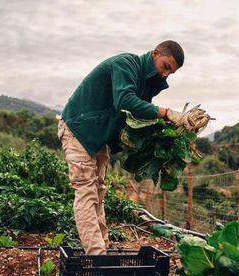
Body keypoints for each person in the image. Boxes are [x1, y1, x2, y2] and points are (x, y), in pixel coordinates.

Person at [58, 40, 206, 255]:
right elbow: (125, 100)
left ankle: (103, 249)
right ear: (155, 53)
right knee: (86, 192)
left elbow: (139, 115)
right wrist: (166, 113)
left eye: (170, 73)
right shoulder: (126, 64)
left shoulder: (147, 83)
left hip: (97, 137)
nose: (165, 75)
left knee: (98, 192)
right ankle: (96, 257)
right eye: (165, 67)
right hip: (78, 129)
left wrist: (170, 125)